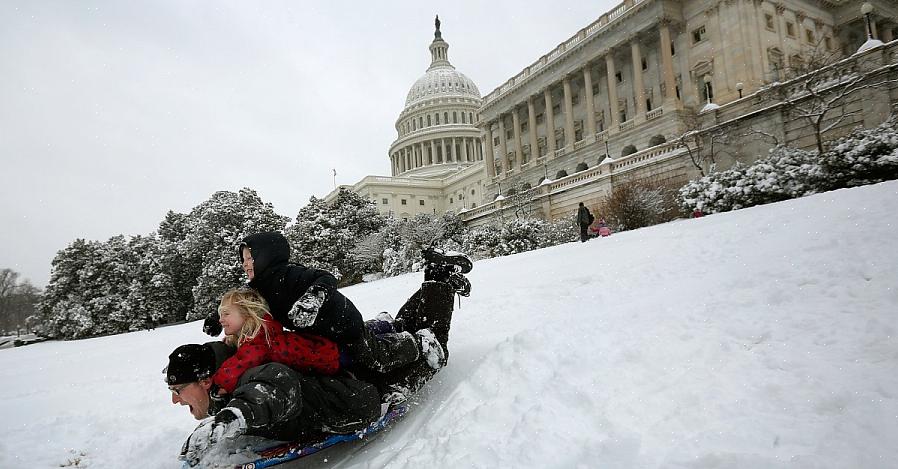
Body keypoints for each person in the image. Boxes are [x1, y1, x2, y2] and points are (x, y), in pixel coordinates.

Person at [170, 267, 462, 467]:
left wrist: (233, 418)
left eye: (179, 389)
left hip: (361, 401)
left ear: (206, 381)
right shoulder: (235, 367)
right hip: (341, 374)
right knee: (387, 334)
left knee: (429, 351)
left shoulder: (250, 372)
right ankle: (435, 281)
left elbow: (274, 386)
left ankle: (436, 300)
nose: (175, 399)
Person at [203, 232, 471, 376]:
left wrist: (312, 300)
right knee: (374, 343)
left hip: (343, 325)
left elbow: (325, 278)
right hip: (325, 335)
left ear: (267, 257)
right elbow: (243, 304)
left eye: (250, 257)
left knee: (376, 358)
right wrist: (218, 318)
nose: (245, 264)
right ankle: (435, 283)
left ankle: (419, 343)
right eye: (244, 259)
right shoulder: (259, 287)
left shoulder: (288, 274)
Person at [210, 286, 341, 394]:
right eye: (220, 314)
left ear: (247, 314)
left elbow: (244, 360)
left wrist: (219, 382)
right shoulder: (255, 335)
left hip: (329, 358)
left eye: (226, 314)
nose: (220, 319)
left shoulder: (261, 337)